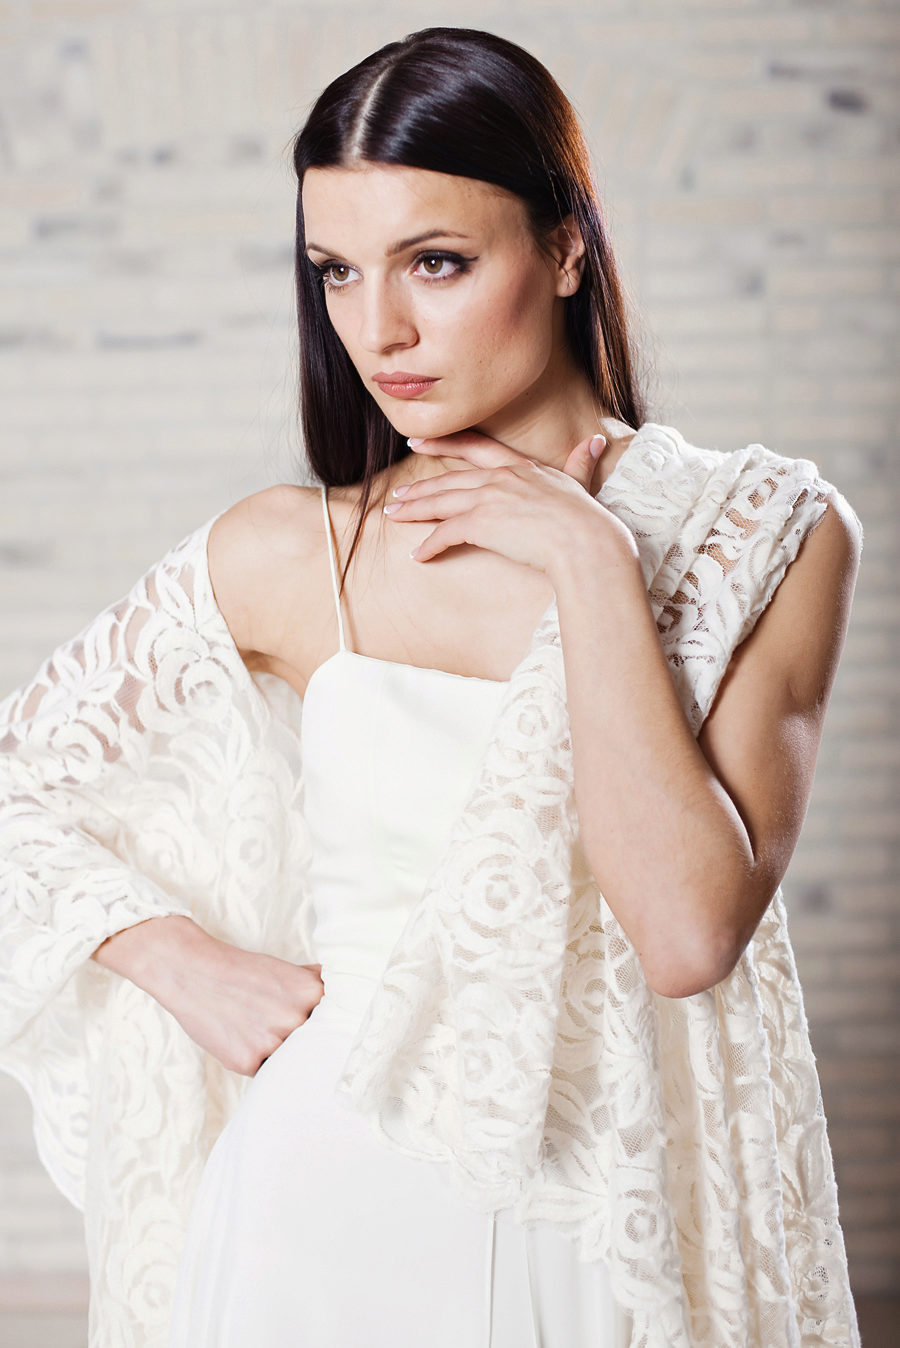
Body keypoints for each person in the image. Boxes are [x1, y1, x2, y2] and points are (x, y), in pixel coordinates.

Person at [0, 26, 863, 1348]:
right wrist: (175, 958)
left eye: (436, 263)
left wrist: (591, 563)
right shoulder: (300, 550)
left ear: (567, 249)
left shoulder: (764, 533)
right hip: (316, 1212)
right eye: (336, 273)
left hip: (602, 1232)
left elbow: (689, 935)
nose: (379, 330)